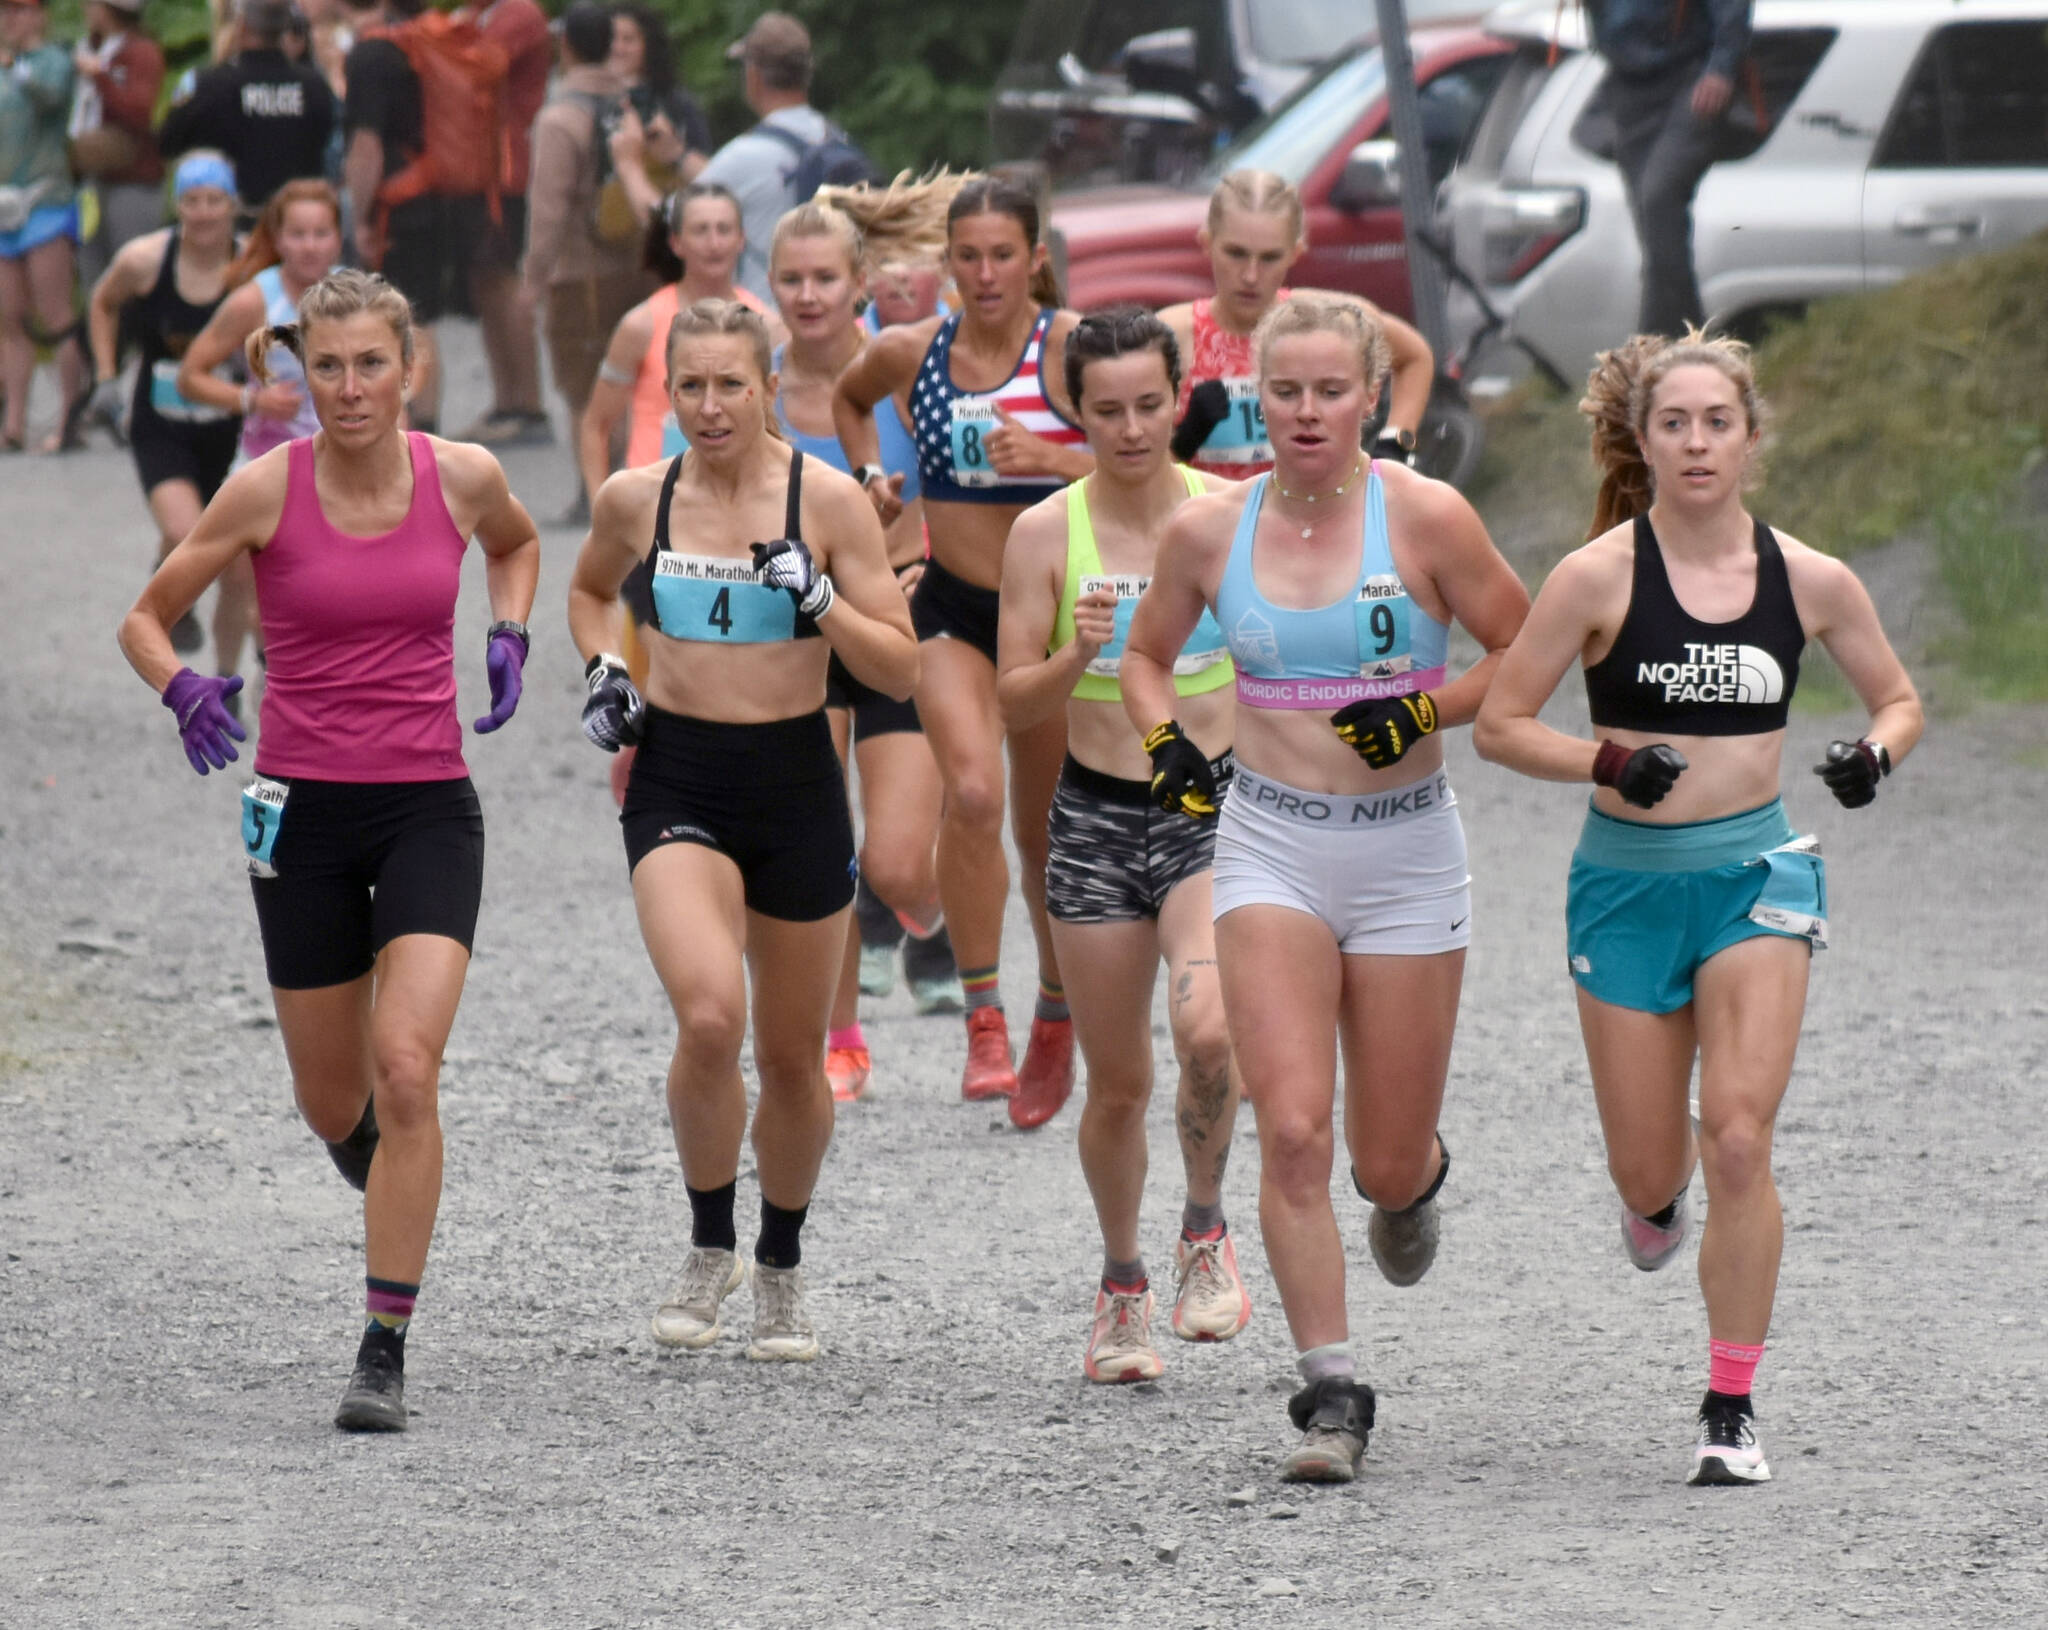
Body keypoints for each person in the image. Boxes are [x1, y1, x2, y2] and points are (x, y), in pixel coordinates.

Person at [1472, 331, 1921, 1484]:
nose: (1694, 442)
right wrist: (1606, 763)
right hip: (1622, 887)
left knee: (1734, 1132)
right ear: (1641, 440)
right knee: (1646, 1171)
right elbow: (1500, 724)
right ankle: (1650, 1201)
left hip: (1752, 879)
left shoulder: (1809, 578)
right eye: (1672, 423)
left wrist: (1873, 754)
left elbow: (1898, 696)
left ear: (1749, 437)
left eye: (1715, 421)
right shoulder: (1594, 578)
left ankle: (1729, 1404)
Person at [116, 267, 542, 1431]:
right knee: (330, 1096)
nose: (348, 388)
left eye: (370, 364)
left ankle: (382, 1345)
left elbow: (516, 544)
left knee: (407, 1066)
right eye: (327, 365)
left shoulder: (461, 476)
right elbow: (143, 617)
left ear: (408, 369)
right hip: (296, 809)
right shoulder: (264, 488)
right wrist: (184, 686)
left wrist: (507, 633)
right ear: (298, 371)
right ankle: (389, 1166)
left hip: (426, 807)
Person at [1121, 294, 1529, 1483]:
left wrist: (1424, 703)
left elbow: (1522, 649)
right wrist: (1166, 749)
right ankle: (1331, 1394)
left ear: (1367, 396)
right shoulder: (1211, 531)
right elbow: (1145, 656)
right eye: (1283, 393)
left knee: (1378, 1160)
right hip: (1268, 847)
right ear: (1257, 395)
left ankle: (1412, 1185)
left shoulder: (1428, 517)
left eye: (1328, 392)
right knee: (1291, 1128)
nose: (1304, 414)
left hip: (1405, 852)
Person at [567, 296, 918, 1361]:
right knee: (710, 1017)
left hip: (795, 783)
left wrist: (817, 598)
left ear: (769, 386)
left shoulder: (828, 502)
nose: (710, 407)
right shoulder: (640, 498)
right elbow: (589, 594)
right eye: (690, 387)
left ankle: (779, 1263)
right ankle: (707, 1242)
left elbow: (897, 663)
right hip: (678, 776)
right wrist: (605, 669)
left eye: (731, 384)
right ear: (665, 391)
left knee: (793, 1056)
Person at [996, 307, 1249, 1379]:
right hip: (1094, 814)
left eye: (1150, 404)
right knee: (1118, 1082)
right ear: (1074, 409)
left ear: (1179, 392)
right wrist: (1074, 655)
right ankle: (1120, 1286)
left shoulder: (1233, 517)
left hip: (1210, 811)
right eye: (1107, 410)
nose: (1132, 428)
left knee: (1206, 1035)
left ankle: (1204, 1229)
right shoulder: (1046, 534)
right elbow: (1012, 703)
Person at [834, 176, 1091, 1111]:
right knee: (973, 797)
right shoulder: (913, 351)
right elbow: (849, 397)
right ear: (947, 264)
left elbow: (1143, 447)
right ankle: (984, 1020)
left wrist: (1059, 460)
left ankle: (1054, 1017)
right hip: (951, 606)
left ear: (1035, 258)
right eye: (967, 257)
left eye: (1002, 255)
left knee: (1046, 832)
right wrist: (873, 475)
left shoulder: (1069, 350)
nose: (985, 275)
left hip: (1052, 619)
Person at [764, 198, 953, 1103]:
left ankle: (945, 911)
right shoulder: (749, 389)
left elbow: (966, 495)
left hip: (896, 618)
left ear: (861, 286)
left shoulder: (905, 372)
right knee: (824, 842)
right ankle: (841, 1039)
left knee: (894, 863)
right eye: (792, 280)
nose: (808, 296)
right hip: (793, 629)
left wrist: (932, 565)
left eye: (825, 279)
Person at [176, 179, 343, 682]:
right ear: (278, 237)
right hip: (263, 466)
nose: (310, 245)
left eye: (320, 233)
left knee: (321, 589)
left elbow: (399, 368)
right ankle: (227, 675)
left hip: (337, 470)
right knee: (242, 588)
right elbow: (191, 373)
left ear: (337, 237)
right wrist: (253, 400)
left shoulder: (356, 297)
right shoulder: (255, 301)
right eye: (298, 234)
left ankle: (286, 689)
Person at [1162, 170, 1431, 480]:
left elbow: (1415, 356)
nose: (1250, 275)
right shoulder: (1173, 337)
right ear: (1207, 243)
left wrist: (1396, 442)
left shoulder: (1326, 320)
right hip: (1213, 524)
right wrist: (1183, 444)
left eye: (1269, 258)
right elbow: (1131, 476)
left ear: (1295, 253)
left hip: (1317, 521)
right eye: (1236, 253)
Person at [87, 151, 244, 665]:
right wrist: (107, 376)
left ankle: (176, 583)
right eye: (191, 201)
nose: (203, 213)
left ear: (232, 205)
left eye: (213, 201)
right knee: (185, 530)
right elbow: (102, 303)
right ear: (177, 206)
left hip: (231, 426)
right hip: (162, 424)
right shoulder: (145, 260)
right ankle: (173, 595)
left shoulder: (253, 266)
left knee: (234, 551)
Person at [523, 0, 654, 524]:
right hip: (638, 262)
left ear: (567, 45)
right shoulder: (632, 106)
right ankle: (629, 480)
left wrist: (534, 276)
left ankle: (594, 491)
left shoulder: (561, 117)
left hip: (580, 271)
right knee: (629, 378)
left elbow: (549, 206)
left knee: (583, 384)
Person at [577, 181, 770, 505]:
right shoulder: (641, 325)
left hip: (740, 506)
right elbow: (596, 424)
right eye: (701, 230)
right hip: (654, 504)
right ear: (676, 243)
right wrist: (602, 510)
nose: (714, 243)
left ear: (741, 239)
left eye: (724, 230)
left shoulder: (766, 325)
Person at [1583, 0, 1754, 337]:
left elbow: (1732, 11)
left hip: (1688, 80)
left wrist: (1721, 69)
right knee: (1654, 235)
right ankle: (1690, 346)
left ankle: (1659, 346)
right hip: (1628, 90)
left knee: (1658, 197)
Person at [458, 0, 551, 448]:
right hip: (479, 167)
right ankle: (505, 401)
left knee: (504, 282)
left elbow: (476, 63)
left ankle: (528, 406)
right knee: (485, 283)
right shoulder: (480, 13)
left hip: (507, 170)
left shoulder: (519, 14)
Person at [1, 0, 86, 452]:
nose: (11, 19)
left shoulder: (53, 61)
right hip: (4, 203)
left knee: (54, 316)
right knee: (9, 317)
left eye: (20, 10)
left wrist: (17, 65)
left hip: (44, 200)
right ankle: (14, 421)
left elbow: (52, 99)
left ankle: (69, 415)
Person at [696, 12, 828, 304]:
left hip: (763, 320)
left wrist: (629, 165)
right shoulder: (832, 138)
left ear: (753, 75)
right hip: (830, 319)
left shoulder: (742, 156)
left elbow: (673, 221)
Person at [158, 0, 338, 213]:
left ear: (241, 26)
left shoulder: (210, 86)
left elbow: (168, 142)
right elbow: (329, 144)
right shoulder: (314, 86)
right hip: (296, 220)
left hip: (231, 221)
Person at [68, 0, 165, 291]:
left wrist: (99, 76)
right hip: (90, 181)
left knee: (131, 272)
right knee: (92, 274)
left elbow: (138, 112)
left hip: (133, 181)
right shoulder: (86, 47)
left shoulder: (141, 52)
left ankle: (133, 335)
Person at [607, 3, 708, 196]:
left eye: (628, 39)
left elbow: (709, 173)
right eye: (611, 38)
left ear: (648, 45)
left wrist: (673, 151)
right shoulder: (589, 101)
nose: (617, 47)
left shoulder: (677, 102)